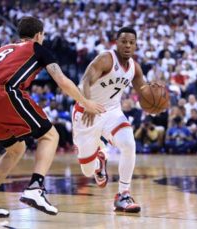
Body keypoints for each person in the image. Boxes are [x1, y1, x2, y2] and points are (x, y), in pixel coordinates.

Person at [0, 16, 105, 217]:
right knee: (50, 136)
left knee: (16, 148)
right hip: (6, 93)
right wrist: (86, 103)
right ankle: (35, 188)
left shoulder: (0, 51)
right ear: (39, 35)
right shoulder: (38, 48)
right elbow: (62, 80)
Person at [72, 27, 165, 213]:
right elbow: (85, 81)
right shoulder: (105, 59)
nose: (128, 45)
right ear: (116, 43)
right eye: (124, 41)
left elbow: (144, 92)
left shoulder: (134, 68)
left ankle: (123, 194)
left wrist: (156, 103)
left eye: (132, 42)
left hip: (112, 112)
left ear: (136, 45)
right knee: (87, 171)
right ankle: (99, 161)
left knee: (129, 144)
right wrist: (88, 103)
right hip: (87, 112)